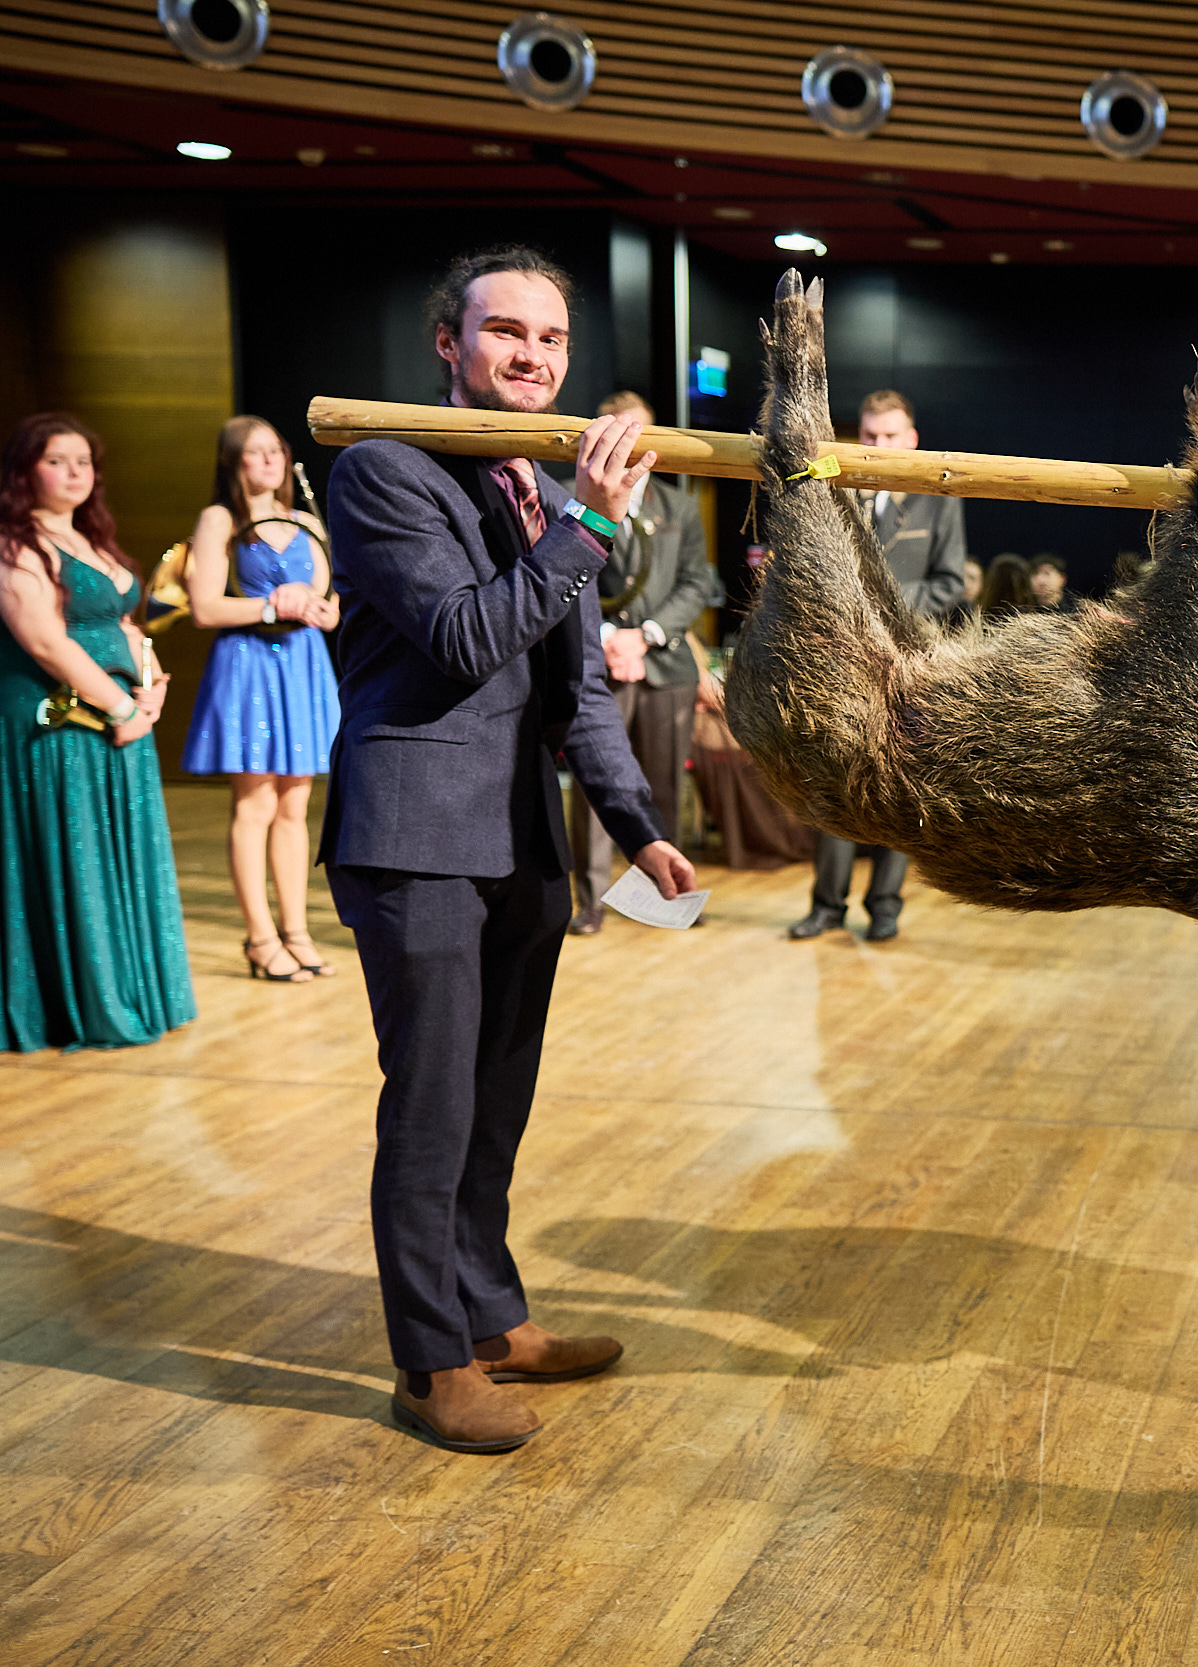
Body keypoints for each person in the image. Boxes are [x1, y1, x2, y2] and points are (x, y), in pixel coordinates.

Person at [320, 245, 695, 1452]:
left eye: (552, 338)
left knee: (494, 1102)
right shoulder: (384, 468)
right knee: (432, 1105)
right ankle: (430, 1362)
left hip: (524, 840)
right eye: (505, 331)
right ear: (449, 343)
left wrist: (637, 825)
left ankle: (492, 1316)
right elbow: (465, 636)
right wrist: (591, 522)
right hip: (416, 830)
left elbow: (576, 688)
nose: (532, 356)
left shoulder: (532, 487)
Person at [0, 414, 195, 1052]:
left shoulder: (90, 539)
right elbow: (45, 641)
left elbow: (127, 625)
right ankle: (86, 1003)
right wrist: (119, 709)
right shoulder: (15, 544)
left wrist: (152, 687)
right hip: (63, 725)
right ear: (25, 469)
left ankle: (132, 988)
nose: (75, 472)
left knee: (120, 854)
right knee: (78, 854)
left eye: (83, 461)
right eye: (57, 461)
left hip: (120, 719)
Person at [788, 389, 965, 944]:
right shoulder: (836, 488)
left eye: (890, 436)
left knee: (902, 789)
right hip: (843, 666)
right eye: (869, 435)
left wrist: (882, 606)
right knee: (832, 785)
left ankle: (885, 905)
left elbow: (949, 583)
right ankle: (826, 906)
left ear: (911, 440)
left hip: (913, 667)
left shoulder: (938, 498)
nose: (879, 444)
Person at [179, 415, 344, 982]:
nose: (271, 460)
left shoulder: (305, 519)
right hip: (249, 662)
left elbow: (331, 602)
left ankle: (296, 932)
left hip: (301, 662)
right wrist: (273, 605)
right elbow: (204, 607)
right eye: (256, 452)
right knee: (255, 806)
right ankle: (260, 937)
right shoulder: (220, 519)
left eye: (276, 449)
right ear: (233, 462)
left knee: (295, 806)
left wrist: (321, 610)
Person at [565, 390, 721, 935]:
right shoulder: (569, 498)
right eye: (616, 432)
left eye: (638, 433)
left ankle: (666, 895)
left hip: (665, 666)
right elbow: (564, 574)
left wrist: (646, 637)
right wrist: (609, 637)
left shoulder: (680, 506)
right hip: (600, 664)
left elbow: (697, 582)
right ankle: (590, 901)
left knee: (663, 787)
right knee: (595, 790)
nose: (627, 444)